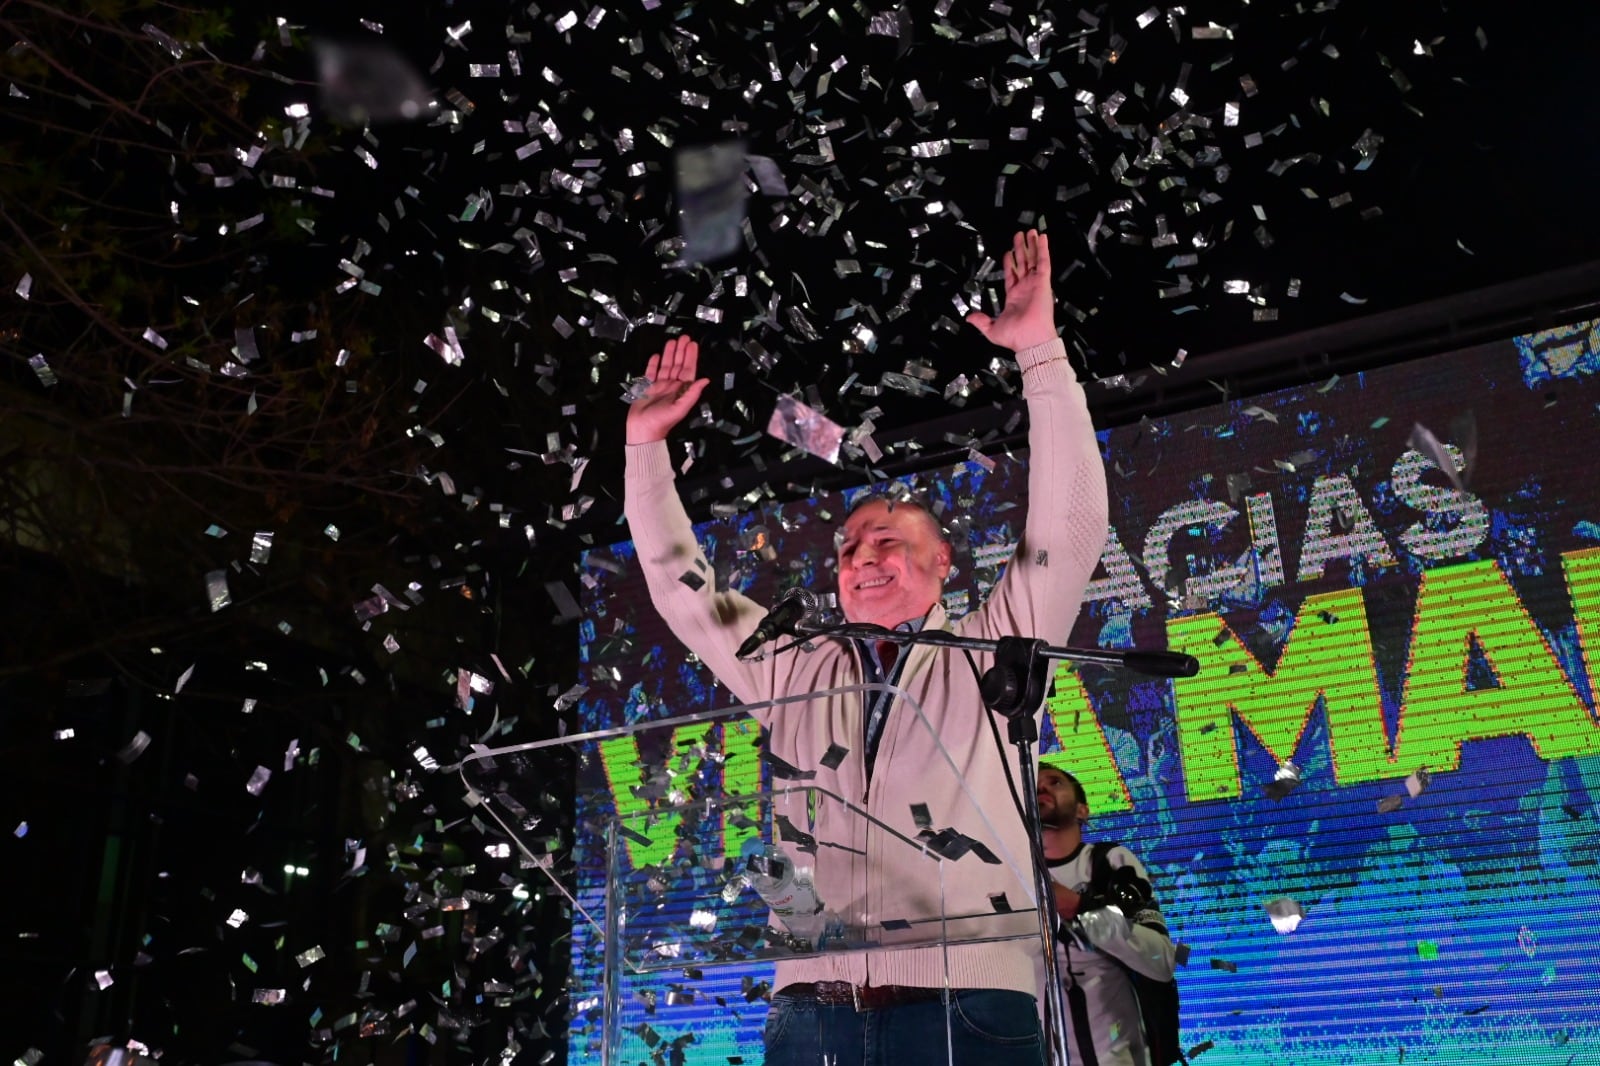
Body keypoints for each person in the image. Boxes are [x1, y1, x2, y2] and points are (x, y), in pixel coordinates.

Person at [623, 230, 1109, 1066]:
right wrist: (644, 452)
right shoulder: (792, 664)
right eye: (847, 549)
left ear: (942, 563)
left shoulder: (994, 646)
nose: (861, 559)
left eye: (885, 541)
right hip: (812, 1012)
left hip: (972, 1004)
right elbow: (682, 588)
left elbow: (1068, 528)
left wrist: (1040, 355)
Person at [1037, 765, 1178, 1066]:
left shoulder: (1111, 862)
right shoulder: (1007, 874)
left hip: (1119, 1049)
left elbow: (1162, 961)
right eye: (1034, 786)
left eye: (1055, 782)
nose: (1042, 789)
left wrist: (1080, 907)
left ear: (1082, 811)